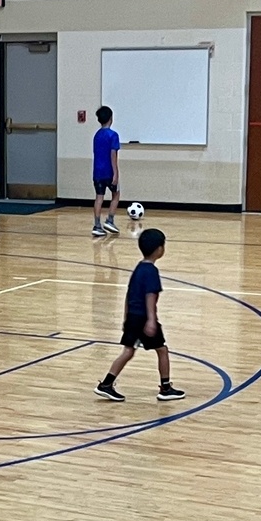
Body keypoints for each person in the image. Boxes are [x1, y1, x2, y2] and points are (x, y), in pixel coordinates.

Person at [94, 228, 185, 401]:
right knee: (162, 350)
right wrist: (151, 320)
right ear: (159, 249)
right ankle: (165, 388)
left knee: (128, 351)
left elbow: (129, 294)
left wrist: (126, 317)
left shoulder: (138, 268)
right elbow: (150, 296)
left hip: (133, 317)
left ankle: (106, 384)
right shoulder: (151, 271)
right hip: (143, 318)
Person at [92, 106, 121, 237]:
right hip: (108, 171)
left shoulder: (97, 135)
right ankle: (110, 220)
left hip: (97, 171)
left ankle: (97, 225)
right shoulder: (113, 135)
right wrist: (115, 173)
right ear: (111, 118)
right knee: (116, 194)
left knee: (99, 197)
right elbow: (113, 155)